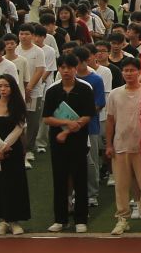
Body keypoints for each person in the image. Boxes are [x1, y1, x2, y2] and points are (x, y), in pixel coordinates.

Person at [40, 52, 98, 233]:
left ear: (76, 69)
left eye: (70, 67)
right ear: (58, 69)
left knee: (80, 178)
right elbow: (46, 118)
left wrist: (72, 127)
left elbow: (88, 115)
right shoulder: (52, 91)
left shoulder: (85, 89)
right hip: (58, 142)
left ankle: (81, 219)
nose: (66, 71)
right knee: (59, 179)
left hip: (79, 141)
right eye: (63, 67)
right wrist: (65, 123)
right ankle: (60, 219)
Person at [103, 57, 141, 238]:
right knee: (121, 185)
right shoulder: (115, 94)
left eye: (132, 70)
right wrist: (109, 144)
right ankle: (122, 219)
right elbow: (110, 120)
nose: (128, 73)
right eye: (125, 70)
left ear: (139, 72)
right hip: (120, 146)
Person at [0, 73, 32, 235]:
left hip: (13, 150)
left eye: (6, 86)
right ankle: (3, 221)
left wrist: (5, 146)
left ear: (12, 88)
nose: (2, 89)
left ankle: (15, 220)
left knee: (14, 183)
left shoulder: (18, 105)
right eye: (0, 86)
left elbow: (19, 128)